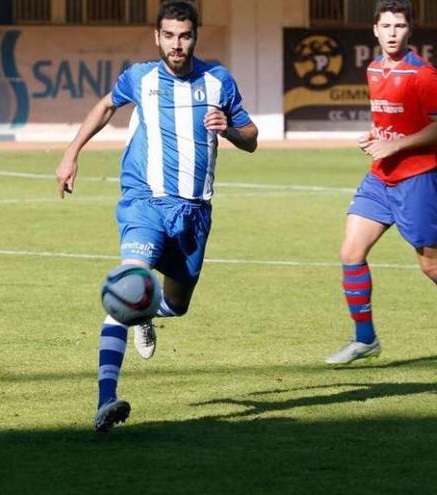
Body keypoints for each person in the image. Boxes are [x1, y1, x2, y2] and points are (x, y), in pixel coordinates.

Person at [56, 0, 258, 432]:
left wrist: (231, 131)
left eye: (184, 36)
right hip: (145, 201)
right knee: (128, 286)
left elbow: (252, 138)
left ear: (195, 37)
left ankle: (148, 313)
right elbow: (106, 106)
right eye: (169, 36)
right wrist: (71, 154)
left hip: (194, 212)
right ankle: (105, 400)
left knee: (177, 305)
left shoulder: (219, 81)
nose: (176, 44)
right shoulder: (140, 78)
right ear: (157, 37)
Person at [326, 0, 437, 367]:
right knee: (351, 253)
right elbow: (394, 121)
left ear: (409, 30)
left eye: (399, 26)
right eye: (386, 26)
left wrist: (395, 144)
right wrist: (375, 136)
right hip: (380, 178)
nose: (392, 33)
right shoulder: (373, 69)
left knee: (432, 265)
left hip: (419, 180)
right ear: (375, 30)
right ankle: (364, 339)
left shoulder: (423, 74)